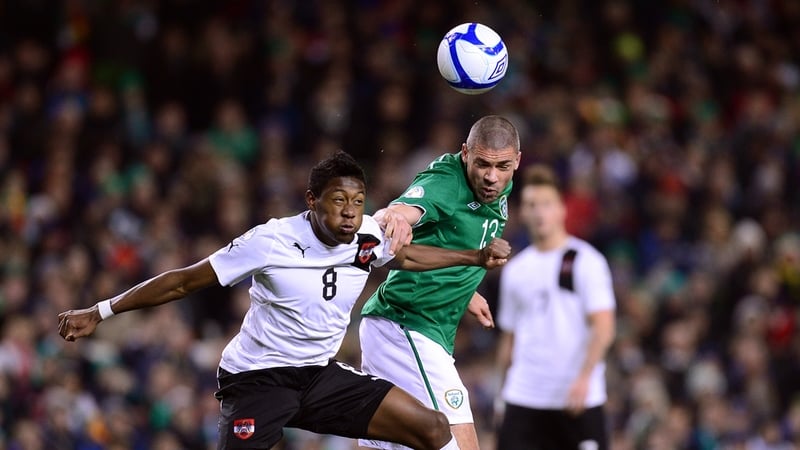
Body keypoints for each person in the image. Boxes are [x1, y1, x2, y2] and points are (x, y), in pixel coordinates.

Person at [58, 151, 513, 450]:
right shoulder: (271, 242)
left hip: (318, 376)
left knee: (433, 429)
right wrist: (101, 311)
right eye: (339, 200)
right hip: (258, 381)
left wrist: (473, 260)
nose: (351, 211)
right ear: (312, 200)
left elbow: (407, 255)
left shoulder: (366, 239)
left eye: (358, 200)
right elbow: (182, 282)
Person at [358, 115, 521, 450]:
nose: (491, 177)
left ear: (517, 160)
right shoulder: (449, 180)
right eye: (482, 164)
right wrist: (391, 216)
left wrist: (466, 289)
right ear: (465, 153)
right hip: (407, 327)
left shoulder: (497, 186)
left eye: (502, 166)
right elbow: (405, 209)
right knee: (462, 443)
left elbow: (450, 238)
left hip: (407, 329)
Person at [494, 164, 616, 450]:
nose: (538, 212)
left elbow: (604, 327)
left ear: (562, 209)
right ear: (522, 212)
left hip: (576, 398)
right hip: (524, 396)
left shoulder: (587, 260)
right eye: (531, 205)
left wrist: (584, 378)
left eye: (546, 204)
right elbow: (509, 339)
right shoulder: (516, 269)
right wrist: (501, 397)